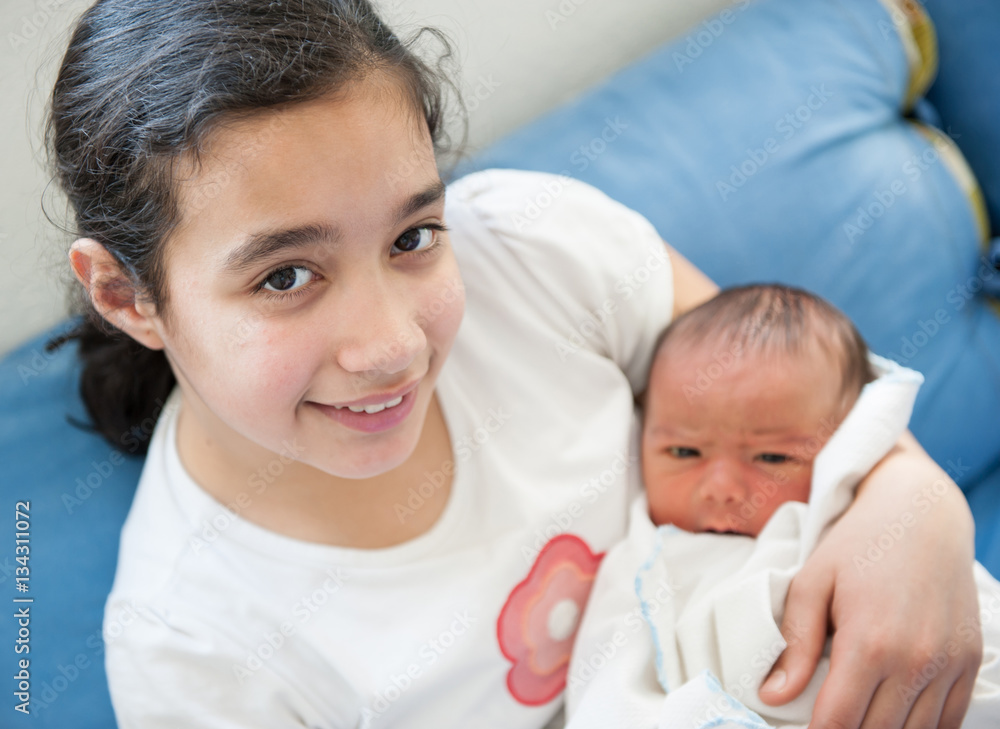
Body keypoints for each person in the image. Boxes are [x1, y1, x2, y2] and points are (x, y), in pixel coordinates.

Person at [48, 0, 981, 726]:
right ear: (128, 297)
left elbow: (808, 394)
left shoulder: (536, 248)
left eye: (413, 236)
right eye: (285, 276)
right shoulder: (193, 653)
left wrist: (915, 499)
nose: (395, 346)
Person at [565, 284, 1000, 727]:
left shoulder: (866, 519)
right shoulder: (640, 565)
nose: (720, 489)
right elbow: (611, 690)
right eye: (684, 452)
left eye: (773, 458)